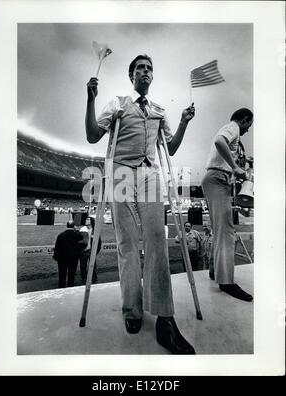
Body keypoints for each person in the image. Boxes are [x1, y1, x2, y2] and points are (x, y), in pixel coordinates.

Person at [85, 54, 196, 354]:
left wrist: (184, 122)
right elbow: (93, 135)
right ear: (131, 75)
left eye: (149, 68)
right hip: (121, 171)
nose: (145, 72)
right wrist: (90, 100)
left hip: (150, 171)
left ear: (152, 75)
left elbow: (169, 148)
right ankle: (132, 310)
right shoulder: (118, 102)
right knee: (127, 243)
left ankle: (164, 317)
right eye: (140, 68)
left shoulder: (159, 109)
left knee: (157, 239)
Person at [201, 108, 254, 301]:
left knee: (220, 229)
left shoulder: (233, 131)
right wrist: (234, 167)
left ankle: (216, 271)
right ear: (245, 119)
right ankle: (227, 282)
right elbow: (219, 141)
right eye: (249, 124)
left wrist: (240, 163)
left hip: (215, 179)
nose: (249, 129)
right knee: (226, 231)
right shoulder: (233, 127)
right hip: (217, 179)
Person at [53, 220, 84, 288]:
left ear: (66, 226)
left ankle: (61, 287)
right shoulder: (76, 235)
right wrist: (77, 230)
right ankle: (70, 286)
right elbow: (81, 236)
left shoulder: (61, 235)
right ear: (74, 226)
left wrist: (56, 257)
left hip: (62, 258)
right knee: (71, 274)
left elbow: (57, 247)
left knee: (62, 275)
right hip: (73, 258)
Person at [79, 216, 102, 284]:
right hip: (84, 251)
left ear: (91, 221)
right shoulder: (82, 229)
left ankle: (94, 279)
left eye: (88, 220)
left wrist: (95, 252)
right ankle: (84, 279)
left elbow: (99, 242)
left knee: (93, 266)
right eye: (86, 220)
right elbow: (79, 241)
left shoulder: (95, 230)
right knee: (83, 266)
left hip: (92, 251)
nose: (86, 221)